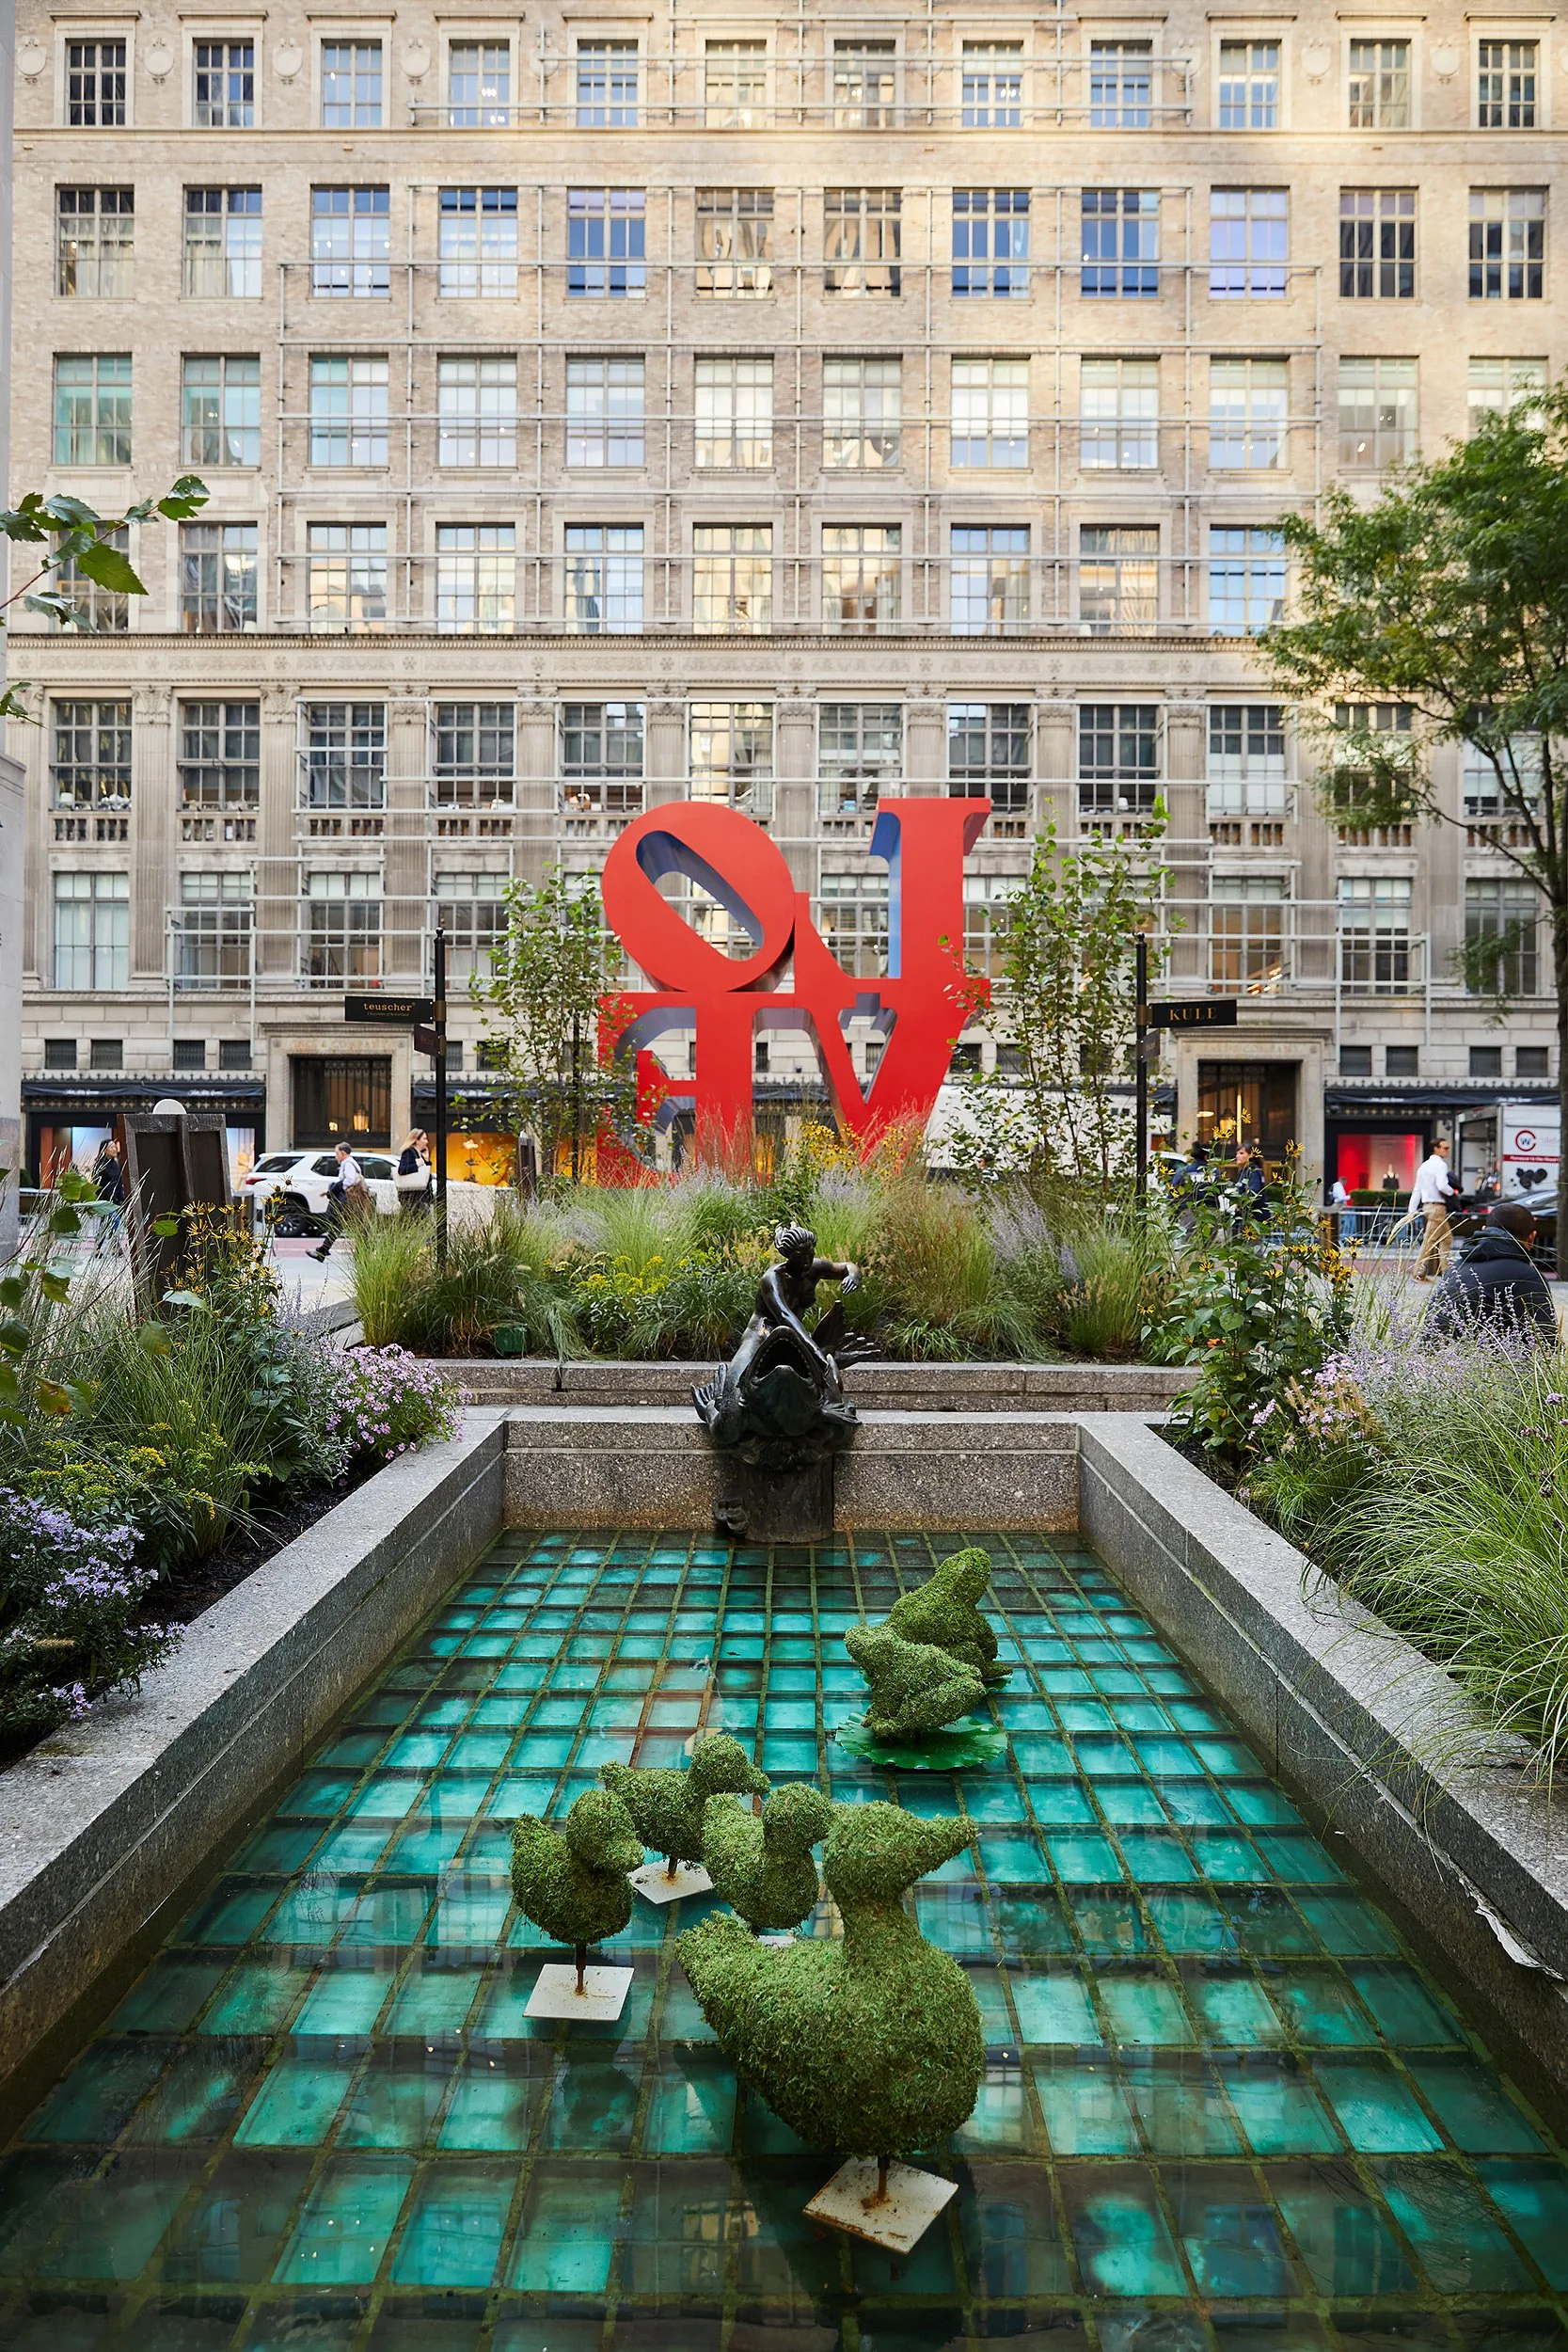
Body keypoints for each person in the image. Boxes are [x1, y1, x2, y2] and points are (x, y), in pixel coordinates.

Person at [1425, 1201, 1558, 1344]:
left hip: (1430, 1359)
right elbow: (1546, 1340)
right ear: (1532, 1238)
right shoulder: (1528, 1277)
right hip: (1480, 1362)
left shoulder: (1456, 1268)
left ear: (1483, 1229)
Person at [311, 1140, 368, 1261]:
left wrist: (336, 1189)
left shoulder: (347, 1163)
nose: (336, 1156)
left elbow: (349, 1180)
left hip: (347, 1200)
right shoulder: (351, 1163)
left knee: (342, 1225)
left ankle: (362, 1253)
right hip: (351, 1200)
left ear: (342, 1153)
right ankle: (323, 1251)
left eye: (337, 1153)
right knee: (339, 1225)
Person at [1410, 1137, 1457, 1279]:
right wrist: (1452, 1192)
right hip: (1437, 1207)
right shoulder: (1440, 1165)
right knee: (1430, 1240)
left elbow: (1417, 1189)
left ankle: (1446, 1271)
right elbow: (1442, 1185)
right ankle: (1419, 1272)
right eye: (1445, 1148)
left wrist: (1412, 1210)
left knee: (1446, 1239)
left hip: (1427, 1206)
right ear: (1436, 1148)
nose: (1447, 1150)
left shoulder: (1424, 1166)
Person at [90, 1134, 125, 1250]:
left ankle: (99, 1248)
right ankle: (115, 1246)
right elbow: (96, 1184)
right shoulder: (100, 1165)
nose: (115, 1149)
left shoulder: (115, 1164)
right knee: (115, 1220)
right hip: (104, 1201)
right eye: (112, 1147)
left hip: (115, 1201)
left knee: (105, 1225)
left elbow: (119, 1181)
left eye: (115, 1146)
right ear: (105, 1150)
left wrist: (121, 1197)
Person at [394, 1128, 431, 1215]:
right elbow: (402, 1170)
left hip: (420, 1196)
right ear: (417, 1140)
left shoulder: (419, 1153)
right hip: (412, 1197)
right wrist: (418, 1164)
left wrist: (426, 1160)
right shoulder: (409, 1152)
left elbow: (425, 1173)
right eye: (424, 1139)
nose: (427, 1142)